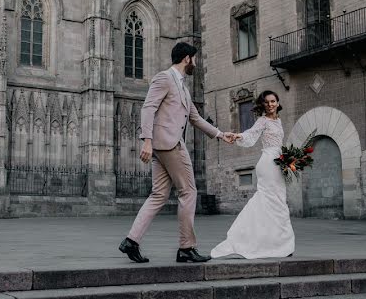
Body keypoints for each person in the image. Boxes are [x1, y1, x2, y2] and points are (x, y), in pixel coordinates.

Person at [119, 42, 236, 263]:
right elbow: (148, 107)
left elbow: (195, 118)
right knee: (188, 192)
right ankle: (186, 248)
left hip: (162, 146)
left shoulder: (183, 86)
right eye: (195, 58)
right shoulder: (164, 78)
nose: (196, 63)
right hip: (170, 145)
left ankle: (131, 241)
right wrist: (146, 140)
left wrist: (221, 134)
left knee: (159, 195)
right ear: (187, 58)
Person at [211, 90, 295, 259]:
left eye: (273, 101)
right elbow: (251, 134)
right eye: (267, 102)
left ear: (278, 103)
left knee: (278, 201)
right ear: (263, 105)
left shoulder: (278, 121)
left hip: (279, 162)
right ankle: (246, 237)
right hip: (268, 163)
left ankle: (279, 243)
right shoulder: (262, 121)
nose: (270, 104)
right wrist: (237, 135)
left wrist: (289, 159)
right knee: (270, 200)